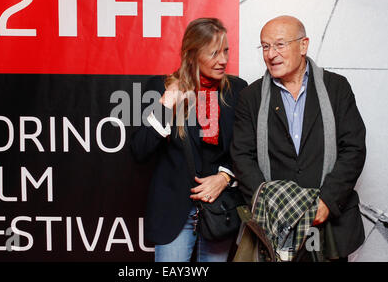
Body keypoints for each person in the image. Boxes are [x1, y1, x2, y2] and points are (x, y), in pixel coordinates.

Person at [230, 15, 366, 261]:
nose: (271, 54)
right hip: (273, 226)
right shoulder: (251, 97)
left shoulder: (336, 88)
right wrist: (269, 207)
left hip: (329, 224)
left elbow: (353, 148)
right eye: (266, 46)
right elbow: (242, 156)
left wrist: (327, 202)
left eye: (280, 44)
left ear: (303, 45)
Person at [131, 18, 248, 262]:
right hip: (174, 212)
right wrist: (166, 105)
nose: (223, 60)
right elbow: (139, 150)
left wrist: (224, 177)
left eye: (226, 51)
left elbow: (247, 148)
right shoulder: (159, 86)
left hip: (220, 209)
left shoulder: (236, 90)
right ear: (192, 55)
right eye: (214, 53)